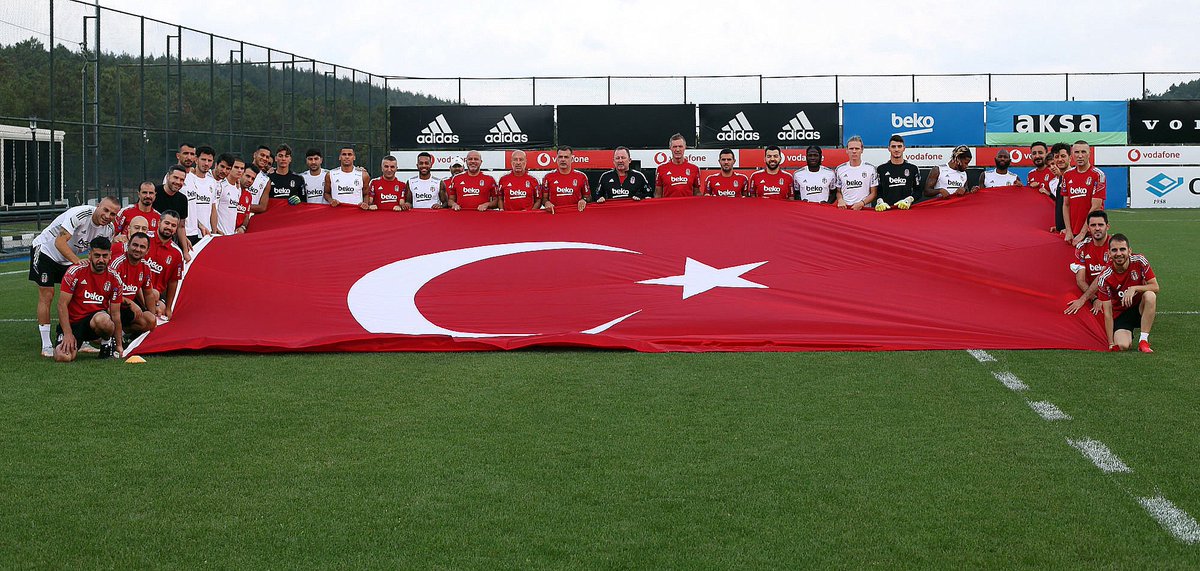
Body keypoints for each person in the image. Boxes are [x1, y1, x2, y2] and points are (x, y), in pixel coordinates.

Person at [29, 196, 120, 357]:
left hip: (67, 259)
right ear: (97, 206)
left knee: (79, 295)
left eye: (113, 214)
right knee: (47, 294)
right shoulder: (80, 215)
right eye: (105, 210)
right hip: (46, 251)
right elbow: (60, 242)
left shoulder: (109, 229)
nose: (108, 216)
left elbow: (100, 252)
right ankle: (46, 344)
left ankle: (81, 337)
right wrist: (78, 263)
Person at [52, 237, 124, 362]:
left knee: (104, 321)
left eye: (104, 256)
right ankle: (72, 341)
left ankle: (106, 342)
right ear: (90, 254)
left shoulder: (114, 278)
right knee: (63, 357)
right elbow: (62, 305)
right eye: (97, 255)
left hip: (95, 322)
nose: (101, 260)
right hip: (73, 324)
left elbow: (115, 314)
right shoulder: (75, 272)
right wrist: (68, 334)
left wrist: (119, 345)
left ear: (110, 255)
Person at [1097, 234, 1158, 353]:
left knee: (1150, 295)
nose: (1119, 253)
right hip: (1121, 314)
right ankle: (1126, 334)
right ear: (1109, 253)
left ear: (1129, 251)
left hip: (1139, 307)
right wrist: (1111, 343)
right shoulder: (1104, 277)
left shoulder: (1140, 260)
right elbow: (1108, 313)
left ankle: (1143, 341)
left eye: (1122, 249)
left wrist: (1134, 288)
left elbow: (1155, 286)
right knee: (1123, 346)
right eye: (1114, 250)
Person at [1063, 210, 1113, 315]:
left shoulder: (1115, 246)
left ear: (1107, 226)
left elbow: (1104, 276)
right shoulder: (1082, 247)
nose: (1097, 228)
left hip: (1114, 293)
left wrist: (1083, 300)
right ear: (1088, 229)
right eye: (1093, 225)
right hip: (1093, 294)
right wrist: (1094, 299)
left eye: (1101, 225)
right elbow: (1080, 280)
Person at [108, 231, 157, 337]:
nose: (138, 249)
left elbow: (148, 294)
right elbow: (107, 294)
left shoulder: (145, 267)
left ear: (147, 250)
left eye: (142, 247)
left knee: (149, 320)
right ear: (128, 245)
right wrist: (130, 302)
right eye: (135, 245)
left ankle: (120, 334)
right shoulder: (117, 263)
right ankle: (107, 334)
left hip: (127, 310)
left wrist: (154, 320)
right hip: (111, 305)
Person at [1061, 140, 1106, 246]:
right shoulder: (1067, 175)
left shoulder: (1098, 175)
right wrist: (1068, 230)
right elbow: (1066, 204)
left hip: (1092, 230)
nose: (1080, 156)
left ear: (1089, 154)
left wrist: (1082, 233)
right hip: (1073, 231)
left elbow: (1096, 206)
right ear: (1072, 154)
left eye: (1083, 152)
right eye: (1076, 152)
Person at [143, 211, 185, 320]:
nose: (169, 227)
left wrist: (169, 308)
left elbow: (173, 281)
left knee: (160, 310)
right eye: (166, 223)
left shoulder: (177, 253)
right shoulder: (144, 238)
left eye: (173, 225)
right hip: (136, 289)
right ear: (159, 222)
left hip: (157, 296)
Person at [182, 145, 217, 245]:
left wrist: (214, 233)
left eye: (209, 161)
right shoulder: (186, 179)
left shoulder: (212, 182)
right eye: (203, 159)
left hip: (206, 234)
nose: (206, 163)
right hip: (189, 233)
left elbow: (213, 209)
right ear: (196, 160)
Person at [873, 136, 920, 210]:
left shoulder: (913, 168)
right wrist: (880, 201)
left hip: (906, 210)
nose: (896, 149)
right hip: (887, 210)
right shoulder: (881, 169)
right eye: (893, 147)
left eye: (899, 146)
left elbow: (918, 191)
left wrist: (909, 200)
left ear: (904, 148)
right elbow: (878, 191)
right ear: (889, 148)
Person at [834, 136, 878, 210]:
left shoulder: (870, 168)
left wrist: (862, 203)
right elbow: (838, 191)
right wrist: (840, 200)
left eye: (857, 148)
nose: (854, 151)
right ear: (847, 150)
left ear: (862, 150)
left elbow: (874, 193)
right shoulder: (840, 169)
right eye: (851, 148)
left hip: (864, 209)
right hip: (845, 210)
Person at [541, 146, 589, 213]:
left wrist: (584, 200)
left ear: (572, 159)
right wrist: (546, 203)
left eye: (566, 157)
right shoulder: (548, 177)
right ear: (556, 159)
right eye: (560, 157)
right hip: (555, 215)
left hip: (576, 214)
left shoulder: (581, 176)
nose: (563, 160)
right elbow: (544, 199)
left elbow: (588, 197)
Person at [211, 156, 251, 235]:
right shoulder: (220, 185)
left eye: (242, 168)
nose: (239, 171)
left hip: (230, 234)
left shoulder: (238, 188)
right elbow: (213, 209)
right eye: (236, 167)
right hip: (219, 234)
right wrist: (215, 229)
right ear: (230, 168)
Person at [654, 133, 700, 198]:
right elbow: (658, 195)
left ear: (685, 147)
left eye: (680, 146)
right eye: (675, 147)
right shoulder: (661, 169)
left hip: (688, 207)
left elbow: (697, 193)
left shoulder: (694, 169)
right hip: (668, 207)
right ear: (670, 148)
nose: (678, 150)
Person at [1045, 142, 1071, 233]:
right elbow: (1062, 205)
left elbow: (1079, 208)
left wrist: (1069, 229)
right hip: (1063, 231)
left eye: (1063, 156)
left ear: (1070, 157)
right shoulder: (1061, 178)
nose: (1060, 159)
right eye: (1056, 157)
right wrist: (1059, 226)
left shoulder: (1075, 178)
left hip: (1073, 232)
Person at [247, 145, 276, 214]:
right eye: (262, 155)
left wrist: (243, 207)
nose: (264, 158)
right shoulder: (242, 170)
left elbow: (262, 207)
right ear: (255, 155)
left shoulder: (266, 180)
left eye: (267, 157)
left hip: (249, 218)